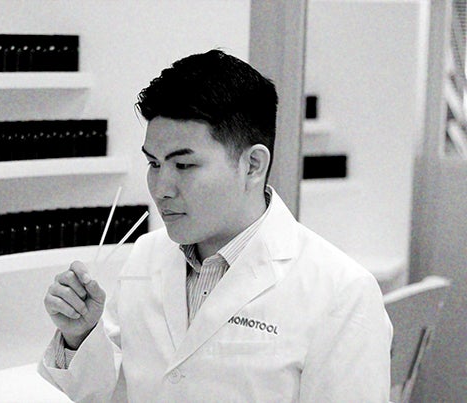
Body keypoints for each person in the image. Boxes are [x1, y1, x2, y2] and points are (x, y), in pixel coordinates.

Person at [38, 49, 392, 402]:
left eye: (184, 166)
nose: (161, 189)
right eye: (154, 164)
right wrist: (80, 336)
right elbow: (112, 394)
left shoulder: (343, 292)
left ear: (252, 165)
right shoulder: (146, 255)